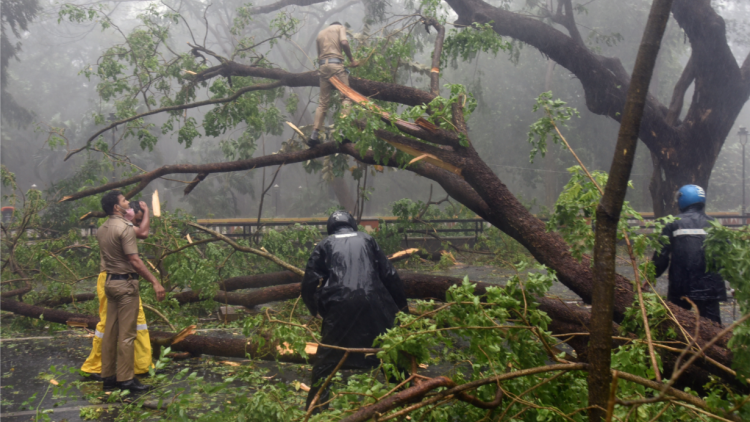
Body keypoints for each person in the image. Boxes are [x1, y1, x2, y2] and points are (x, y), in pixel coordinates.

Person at [301, 211, 408, 413]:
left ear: (330, 228)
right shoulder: (368, 239)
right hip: (376, 303)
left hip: (338, 306)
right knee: (392, 357)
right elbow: (390, 276)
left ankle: (315, 413)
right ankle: (406, 404)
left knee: (324, 367)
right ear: (352, 225)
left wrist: (315, 310)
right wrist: (403, 311)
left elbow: (308, 283)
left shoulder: (325, 244)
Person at [95, 191, 165, 392]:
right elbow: (134, 260)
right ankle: (126, 379)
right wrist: (154, 281)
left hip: (109, 283)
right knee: (127, 334)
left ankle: (108, 377)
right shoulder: (125, 228)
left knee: (110, 332)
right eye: (124, 200)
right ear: (117, 207)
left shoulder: (101, 229)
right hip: (126, 285)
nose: (128, 203)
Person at [81, 200, 154, 381]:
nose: (138, 224)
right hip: (112, 278)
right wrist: (147, 211)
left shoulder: (120, 225)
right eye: (137, 219)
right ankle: (95, 367)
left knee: (138, 323)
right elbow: (143, 233)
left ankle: (142, 366)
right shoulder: (118, 226)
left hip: (123, 279)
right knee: (108, 324)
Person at [652, 184, 727, 324]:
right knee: (713, 330)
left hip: (680, 287)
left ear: (682, 200)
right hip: (710, 288)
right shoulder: (715, 225)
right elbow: (726, 256)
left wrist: (650, 276)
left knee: (677, 326)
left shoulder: (672, 224)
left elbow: (662, 257)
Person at [307, 22, 358, 147]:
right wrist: (352, 60)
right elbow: (344, 43)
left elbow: (319, 56)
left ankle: (314, 134)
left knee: (323, 102)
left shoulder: (320, 33)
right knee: (346, 97)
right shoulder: (340, 27)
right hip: (336, 65)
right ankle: (343, 131)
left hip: (323, 67)